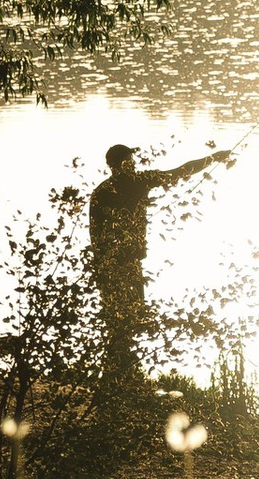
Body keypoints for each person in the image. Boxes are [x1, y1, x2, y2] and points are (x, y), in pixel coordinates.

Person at [87, 139, 234, 364]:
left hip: (109, 264)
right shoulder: (139, 182)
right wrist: (213, 158)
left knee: (118, 319)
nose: (133, 164)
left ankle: (119, 368)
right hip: (127, 262)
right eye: (130, 161)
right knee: (131, 318)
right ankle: (120, 368)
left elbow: (95, 234)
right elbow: (182, 171)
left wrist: (100, 264)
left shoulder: (101, 192)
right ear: (123, 164)